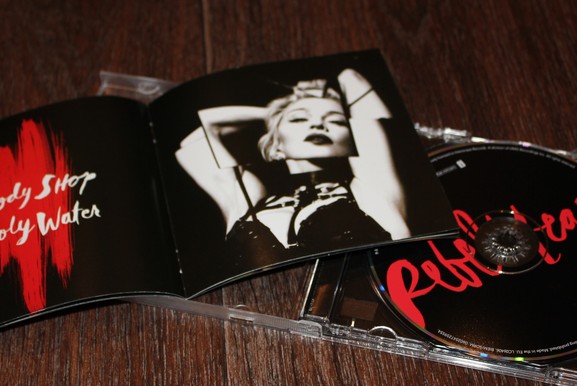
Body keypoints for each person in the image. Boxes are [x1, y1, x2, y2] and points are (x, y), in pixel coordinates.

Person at [175, 69, 410, 259]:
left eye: (336, 121)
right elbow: (198, 134)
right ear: (276, 147)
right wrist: (272, 113)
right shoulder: (249, 200)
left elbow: (352, 79)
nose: (318, 125)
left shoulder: (371, 186)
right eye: (299, 119)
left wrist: (305, 102)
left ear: (351, 141)